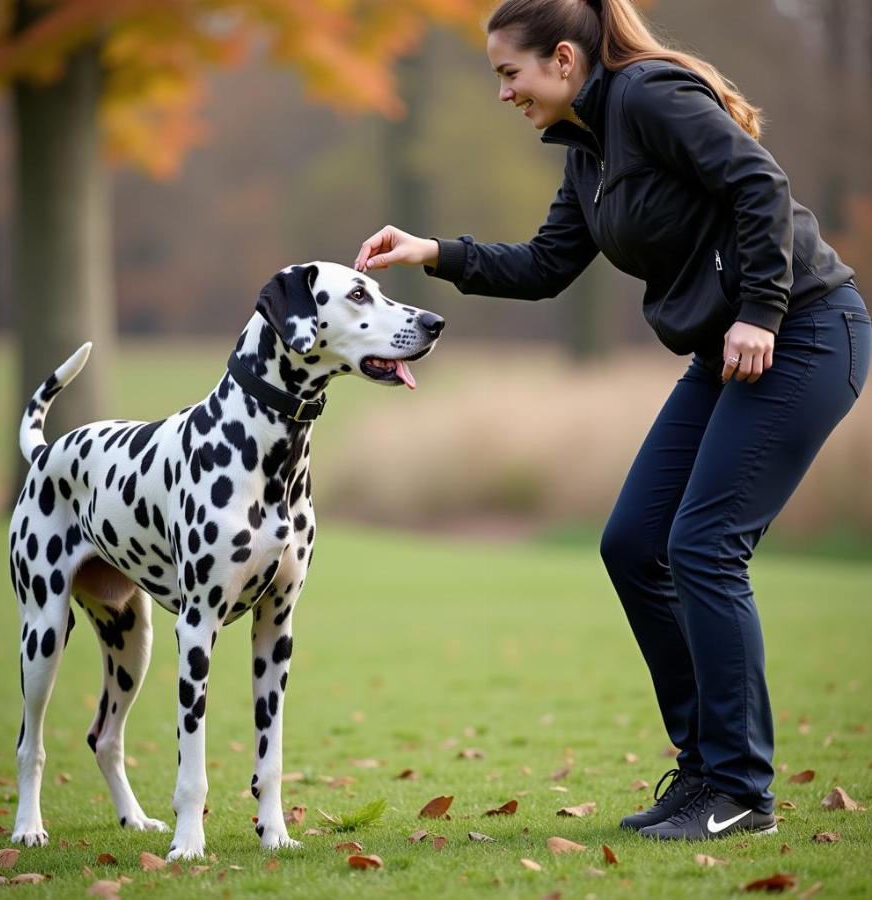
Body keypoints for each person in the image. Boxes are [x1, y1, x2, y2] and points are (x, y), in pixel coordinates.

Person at [354, 0, 870, 841]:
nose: (503, 93)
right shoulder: (588, 151)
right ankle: (704, 769)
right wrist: (432, 252)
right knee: (633, 543)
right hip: (729, 352)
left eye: (508, 74)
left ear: (563, 59)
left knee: (704, 544)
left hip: (806, 332)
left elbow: (759, 184)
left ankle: (741, 789)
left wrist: (762, 313)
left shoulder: (650, 99)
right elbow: (547, 265)